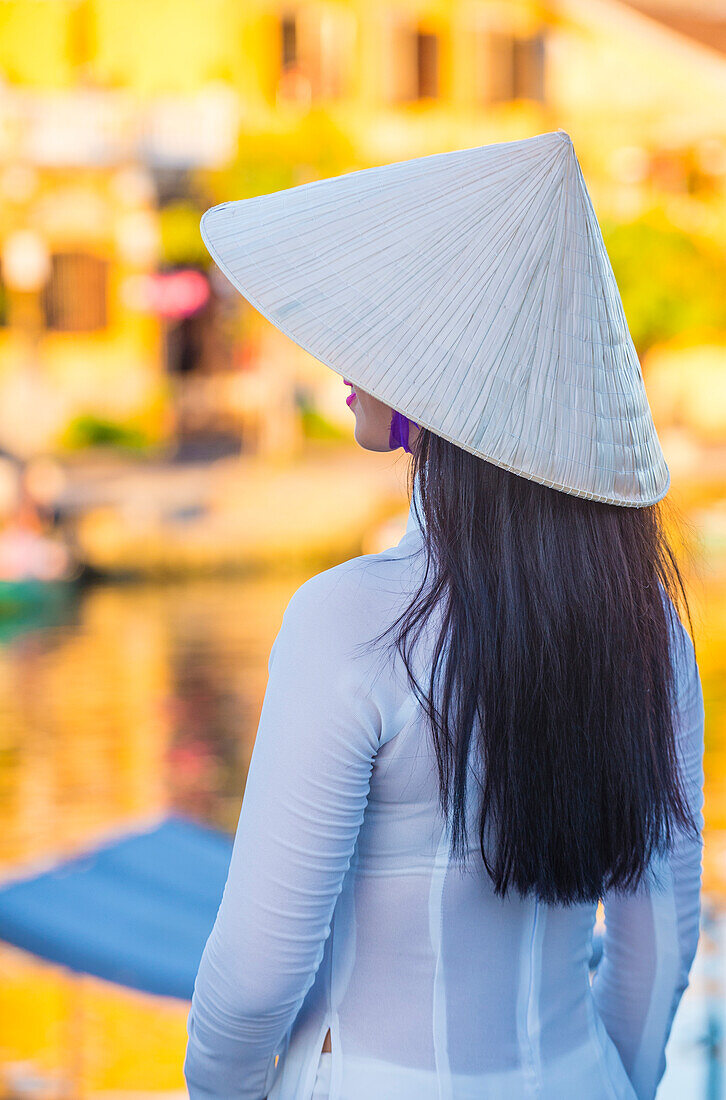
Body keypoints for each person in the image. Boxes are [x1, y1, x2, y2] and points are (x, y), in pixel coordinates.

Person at [184, 130, 705, 1099]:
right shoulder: (652, 633)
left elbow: (256, 974)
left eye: (383, 330)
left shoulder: (350, 622)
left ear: (445, 392)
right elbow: (655, 952)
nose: (342, 354)